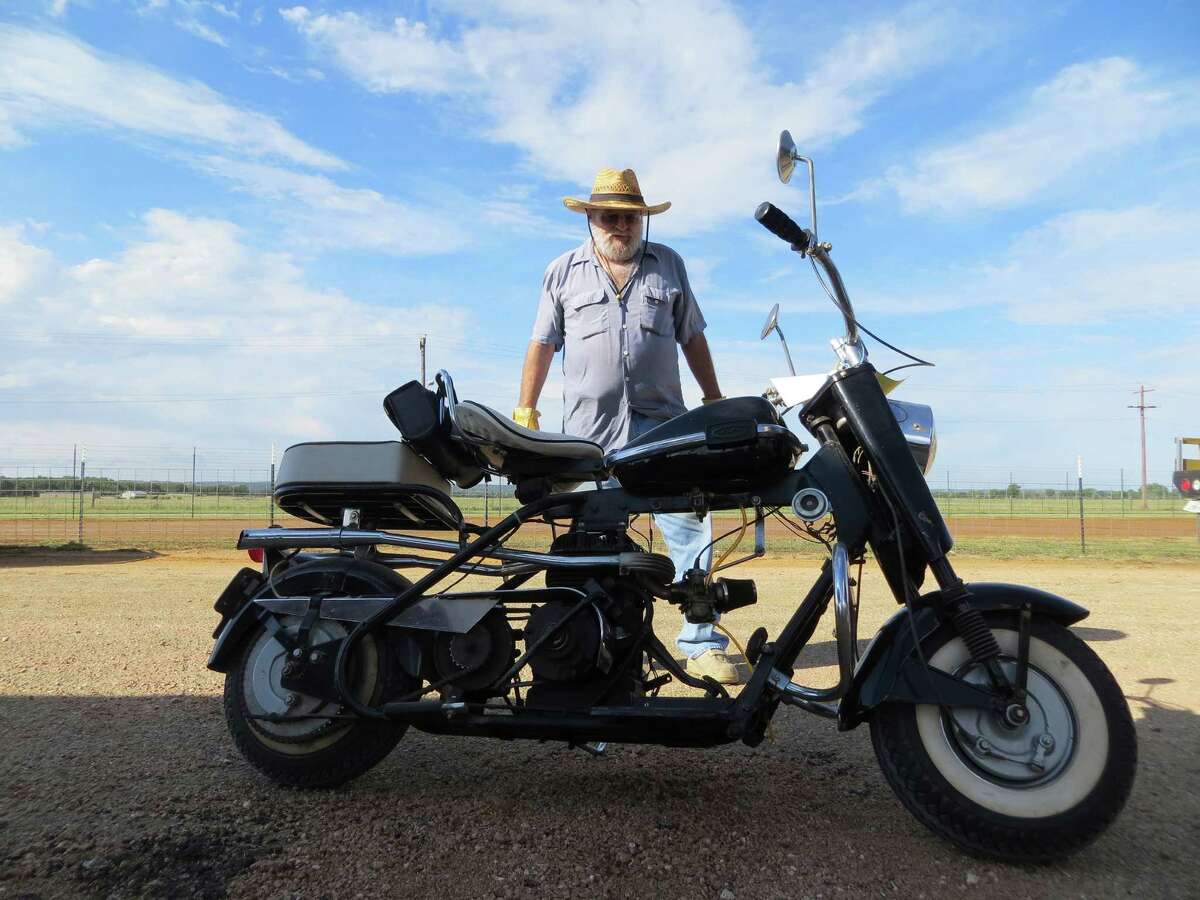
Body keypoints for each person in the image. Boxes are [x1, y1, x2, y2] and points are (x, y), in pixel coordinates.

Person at [513, 167, 744, 685]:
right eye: (609, 216)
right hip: (588, 435)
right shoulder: (562, 272)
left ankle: (701, 641)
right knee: (595, 536)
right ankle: (595, 640)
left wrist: (713, 400)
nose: (620, 225)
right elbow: (542, 343)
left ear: (641, 220)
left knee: (688, 530)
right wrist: (525, 412)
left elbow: (693, 338)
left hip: (663, 428)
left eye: (629, 216)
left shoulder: (670, 267)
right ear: (590, 219)